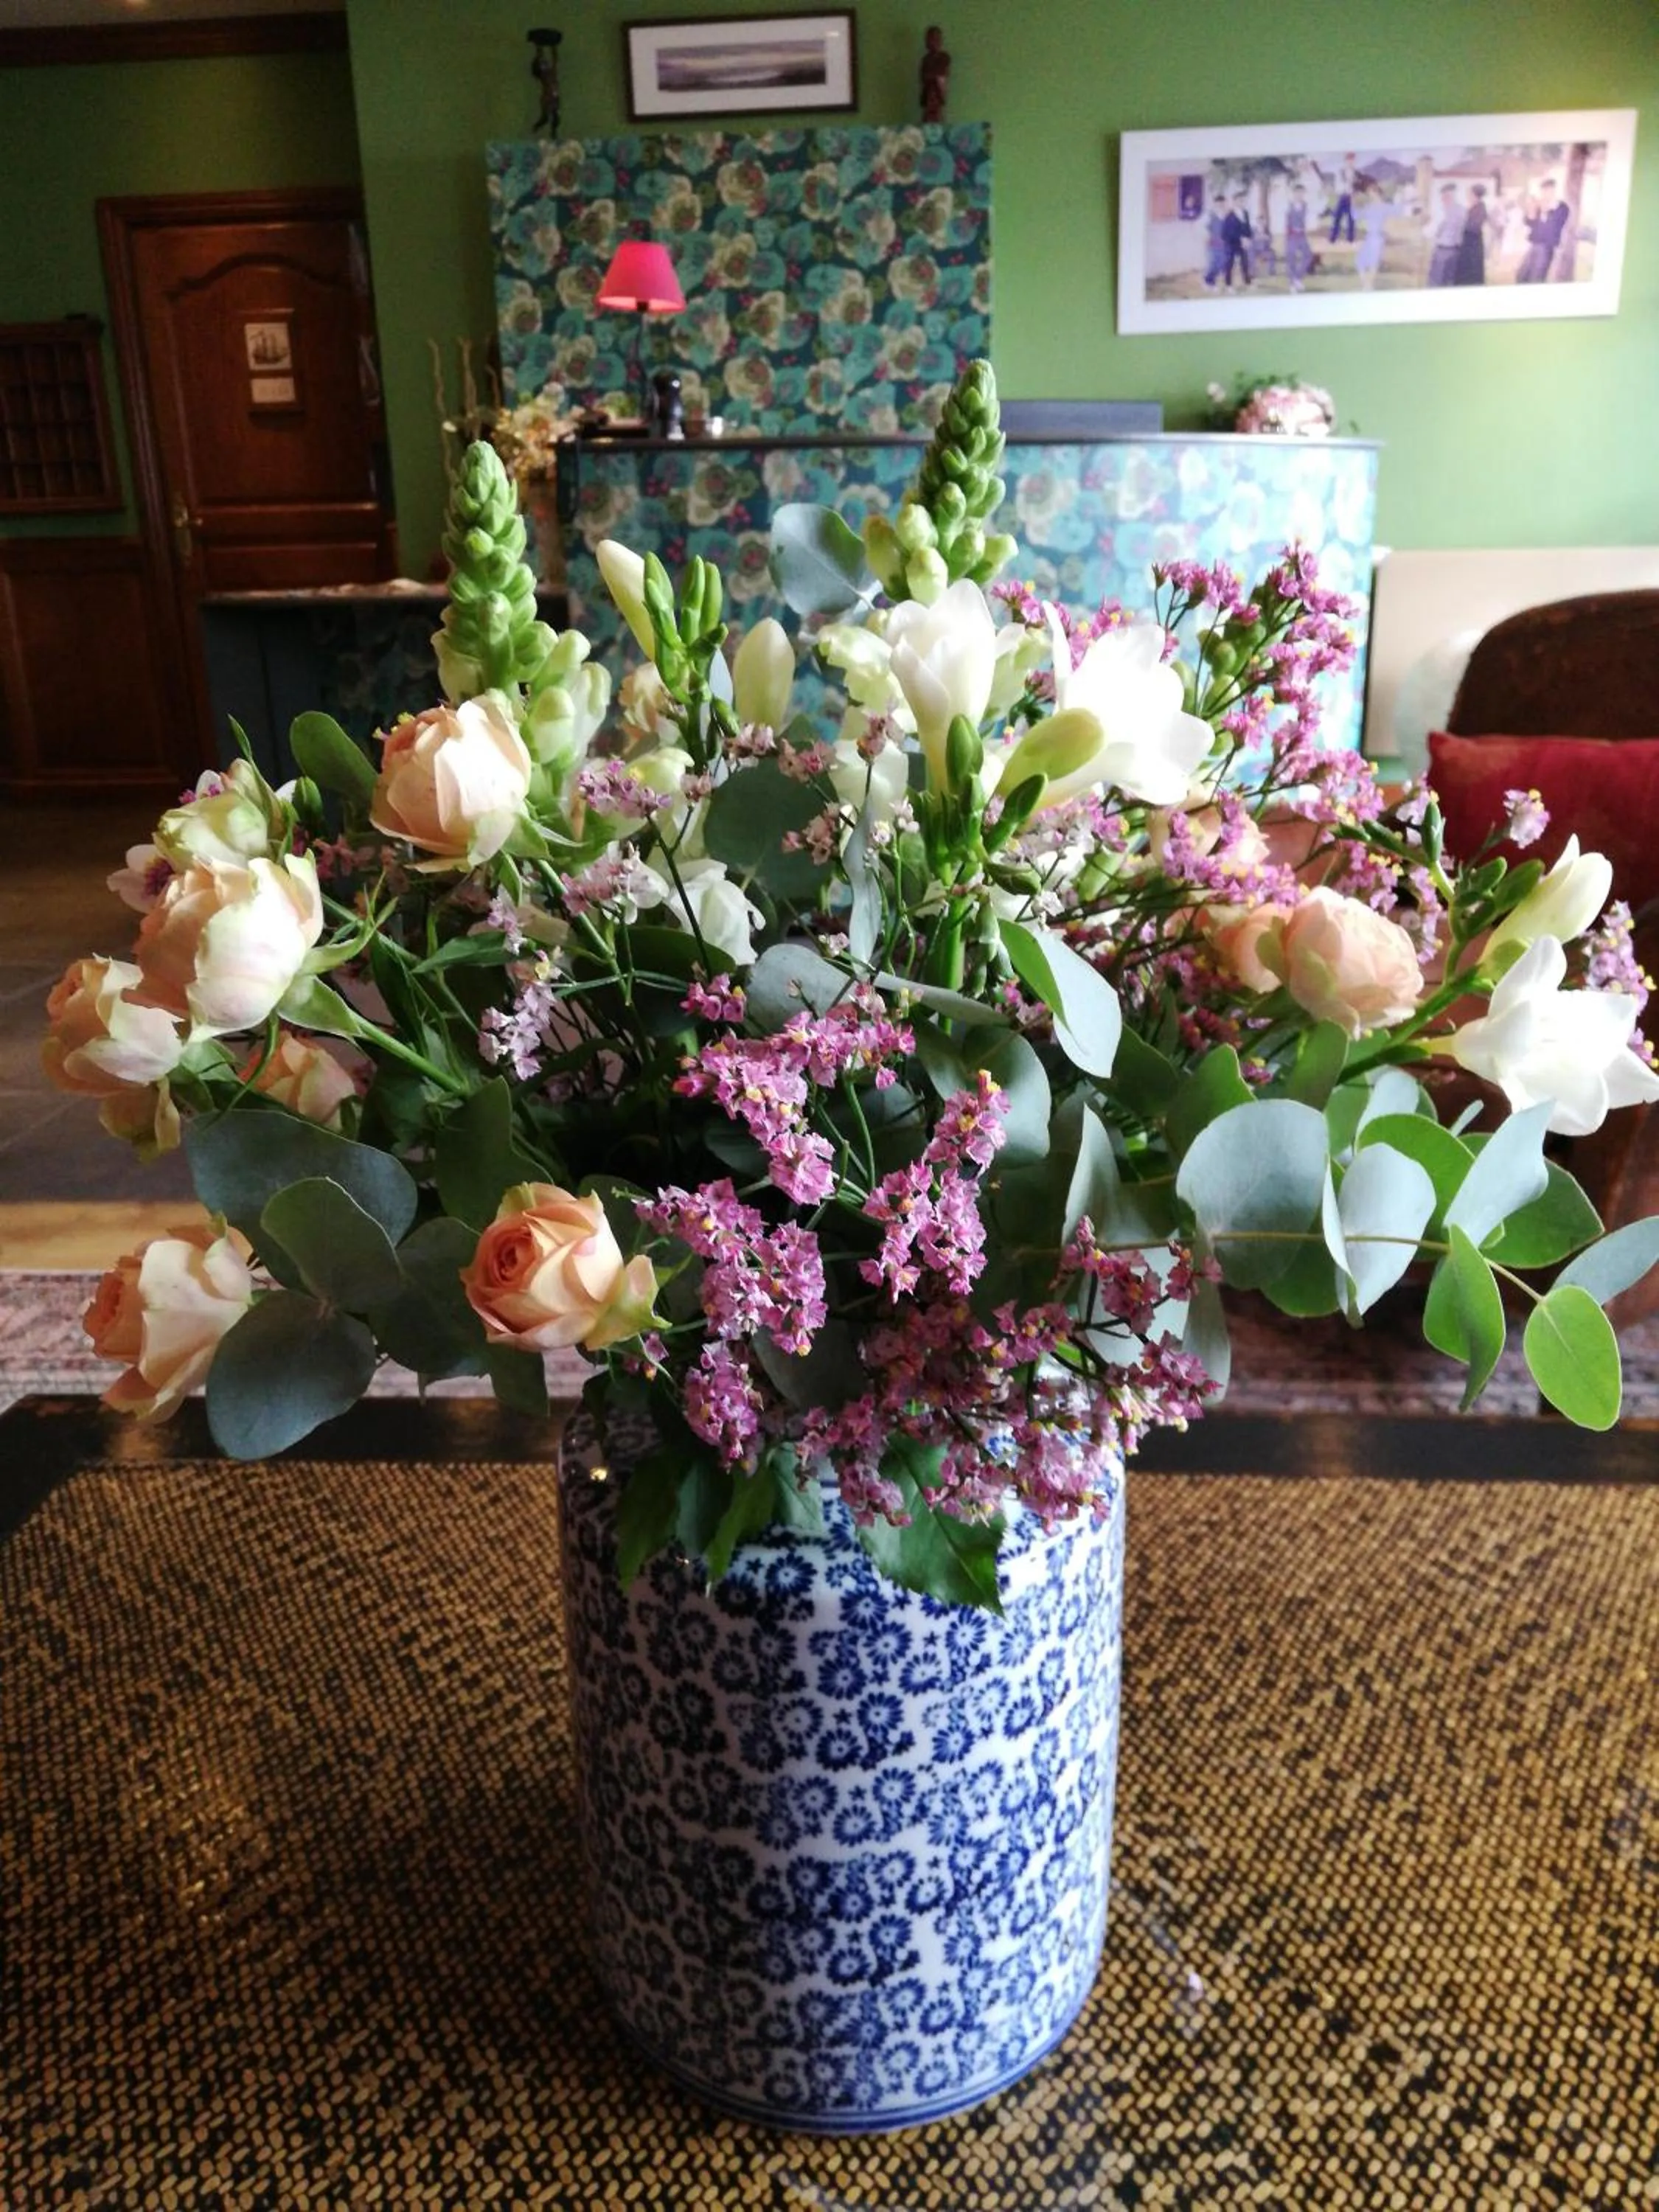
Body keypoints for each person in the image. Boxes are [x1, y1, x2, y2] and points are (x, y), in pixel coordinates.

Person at [1517, 178, 1570, 282]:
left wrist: (1545, 212)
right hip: (1534, 245)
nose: (1545, 194)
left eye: (1548, 190)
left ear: (1553, 191)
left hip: (1547, 248)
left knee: (1537, 278)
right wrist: (1530, 212)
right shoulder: (1539, 205)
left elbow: (1555, 226)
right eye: (1543, 191)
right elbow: (1529, 223)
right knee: (1521, 276)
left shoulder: (1562, 207)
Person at [1427, 182, 1464, 287]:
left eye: (1443, 196)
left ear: (1446, 196)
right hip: (1456, 251)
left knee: (1436, 282)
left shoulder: (1441, 212)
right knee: (1450, 282)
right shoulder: (1462, 210)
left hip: (1442, 251)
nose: (1442, 199)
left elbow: (1431, 232)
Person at [1354, 183, 1390, 289]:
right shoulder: (1369, 207)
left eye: (1371, 193)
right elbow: (1357, 215)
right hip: (1370, 237)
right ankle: (1367, 285)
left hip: (1377, 238)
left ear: (1377, 193)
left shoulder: (1383, 207)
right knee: (1360, 261)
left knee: (1373, 263)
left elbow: (1397, 210)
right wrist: (1353, 203)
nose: (1370, 196)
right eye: (1369, 194)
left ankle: (1368, 286)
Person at [1454, 182, 1488, 285]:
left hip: (1473, 245)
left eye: (1470, 194)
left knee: (1471, 273)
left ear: (1475, 195)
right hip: (1468, 243)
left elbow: (1474, 227)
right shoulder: (1473, 207)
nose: (1468, 196)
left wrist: (1462, 225)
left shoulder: (1481, 208)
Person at [919, 25, 950, 126]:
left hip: (937, 92)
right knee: (927, 120)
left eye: (935, 39)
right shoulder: (925, 59)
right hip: (928, 93)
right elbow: (923, 77)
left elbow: (941, 76)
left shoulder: (943, 57)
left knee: (937, 117)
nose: (931, 42)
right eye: (929, 39)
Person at [1284, 184, 1313, 291]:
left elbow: (1308, 219)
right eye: (1298, 193)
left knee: (1308, 256)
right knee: (1291, 258)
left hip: (1302, 235)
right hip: (1291, 236)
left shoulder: (1305, 205)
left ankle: (1297, 278)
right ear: (1294, 194)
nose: (1300, 195)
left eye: (1302, 193)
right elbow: (1286, 221)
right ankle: (1292, 284)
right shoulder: (1289, 206)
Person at [1220, 196, 1253, 287]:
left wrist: (1249, 238)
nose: (1241, 203)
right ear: (1235, 202)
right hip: (1231, 243)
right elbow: (1227, 232)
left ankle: (1247, 282)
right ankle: (1228, 285)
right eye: (1239, 201)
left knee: (1245, 263)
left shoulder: (1246, 213)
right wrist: (1241, 238)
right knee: (1230, 264)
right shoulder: (1229, 215)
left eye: (1243, 201)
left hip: (1243, 243)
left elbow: (1247, 228)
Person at [1329, 153, 1357, 243]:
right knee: (1337, 217)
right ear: (1346, 161)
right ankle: (1333, 238)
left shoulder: (1356, 172)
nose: (1351, 161)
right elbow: (1337, 184)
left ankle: (1350, 239)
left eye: (1352, 159)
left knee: (1351, 218)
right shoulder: (1341, 171)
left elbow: (1357, 185)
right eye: (1349, 159)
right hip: (1342, 196)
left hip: (1351, 197)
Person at [1203, 194, 1228, 288]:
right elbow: (1203, 228)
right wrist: (1207, 237)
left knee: (1222, 264)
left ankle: (1211, 282)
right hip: (1212, 243)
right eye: (1218, 203)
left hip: (1224, 244)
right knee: (1212, 263)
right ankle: (1208, 282)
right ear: (1215, 204)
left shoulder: (1226, 215)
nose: (1220, 205)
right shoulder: (1209, 215)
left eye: (1222, 203)